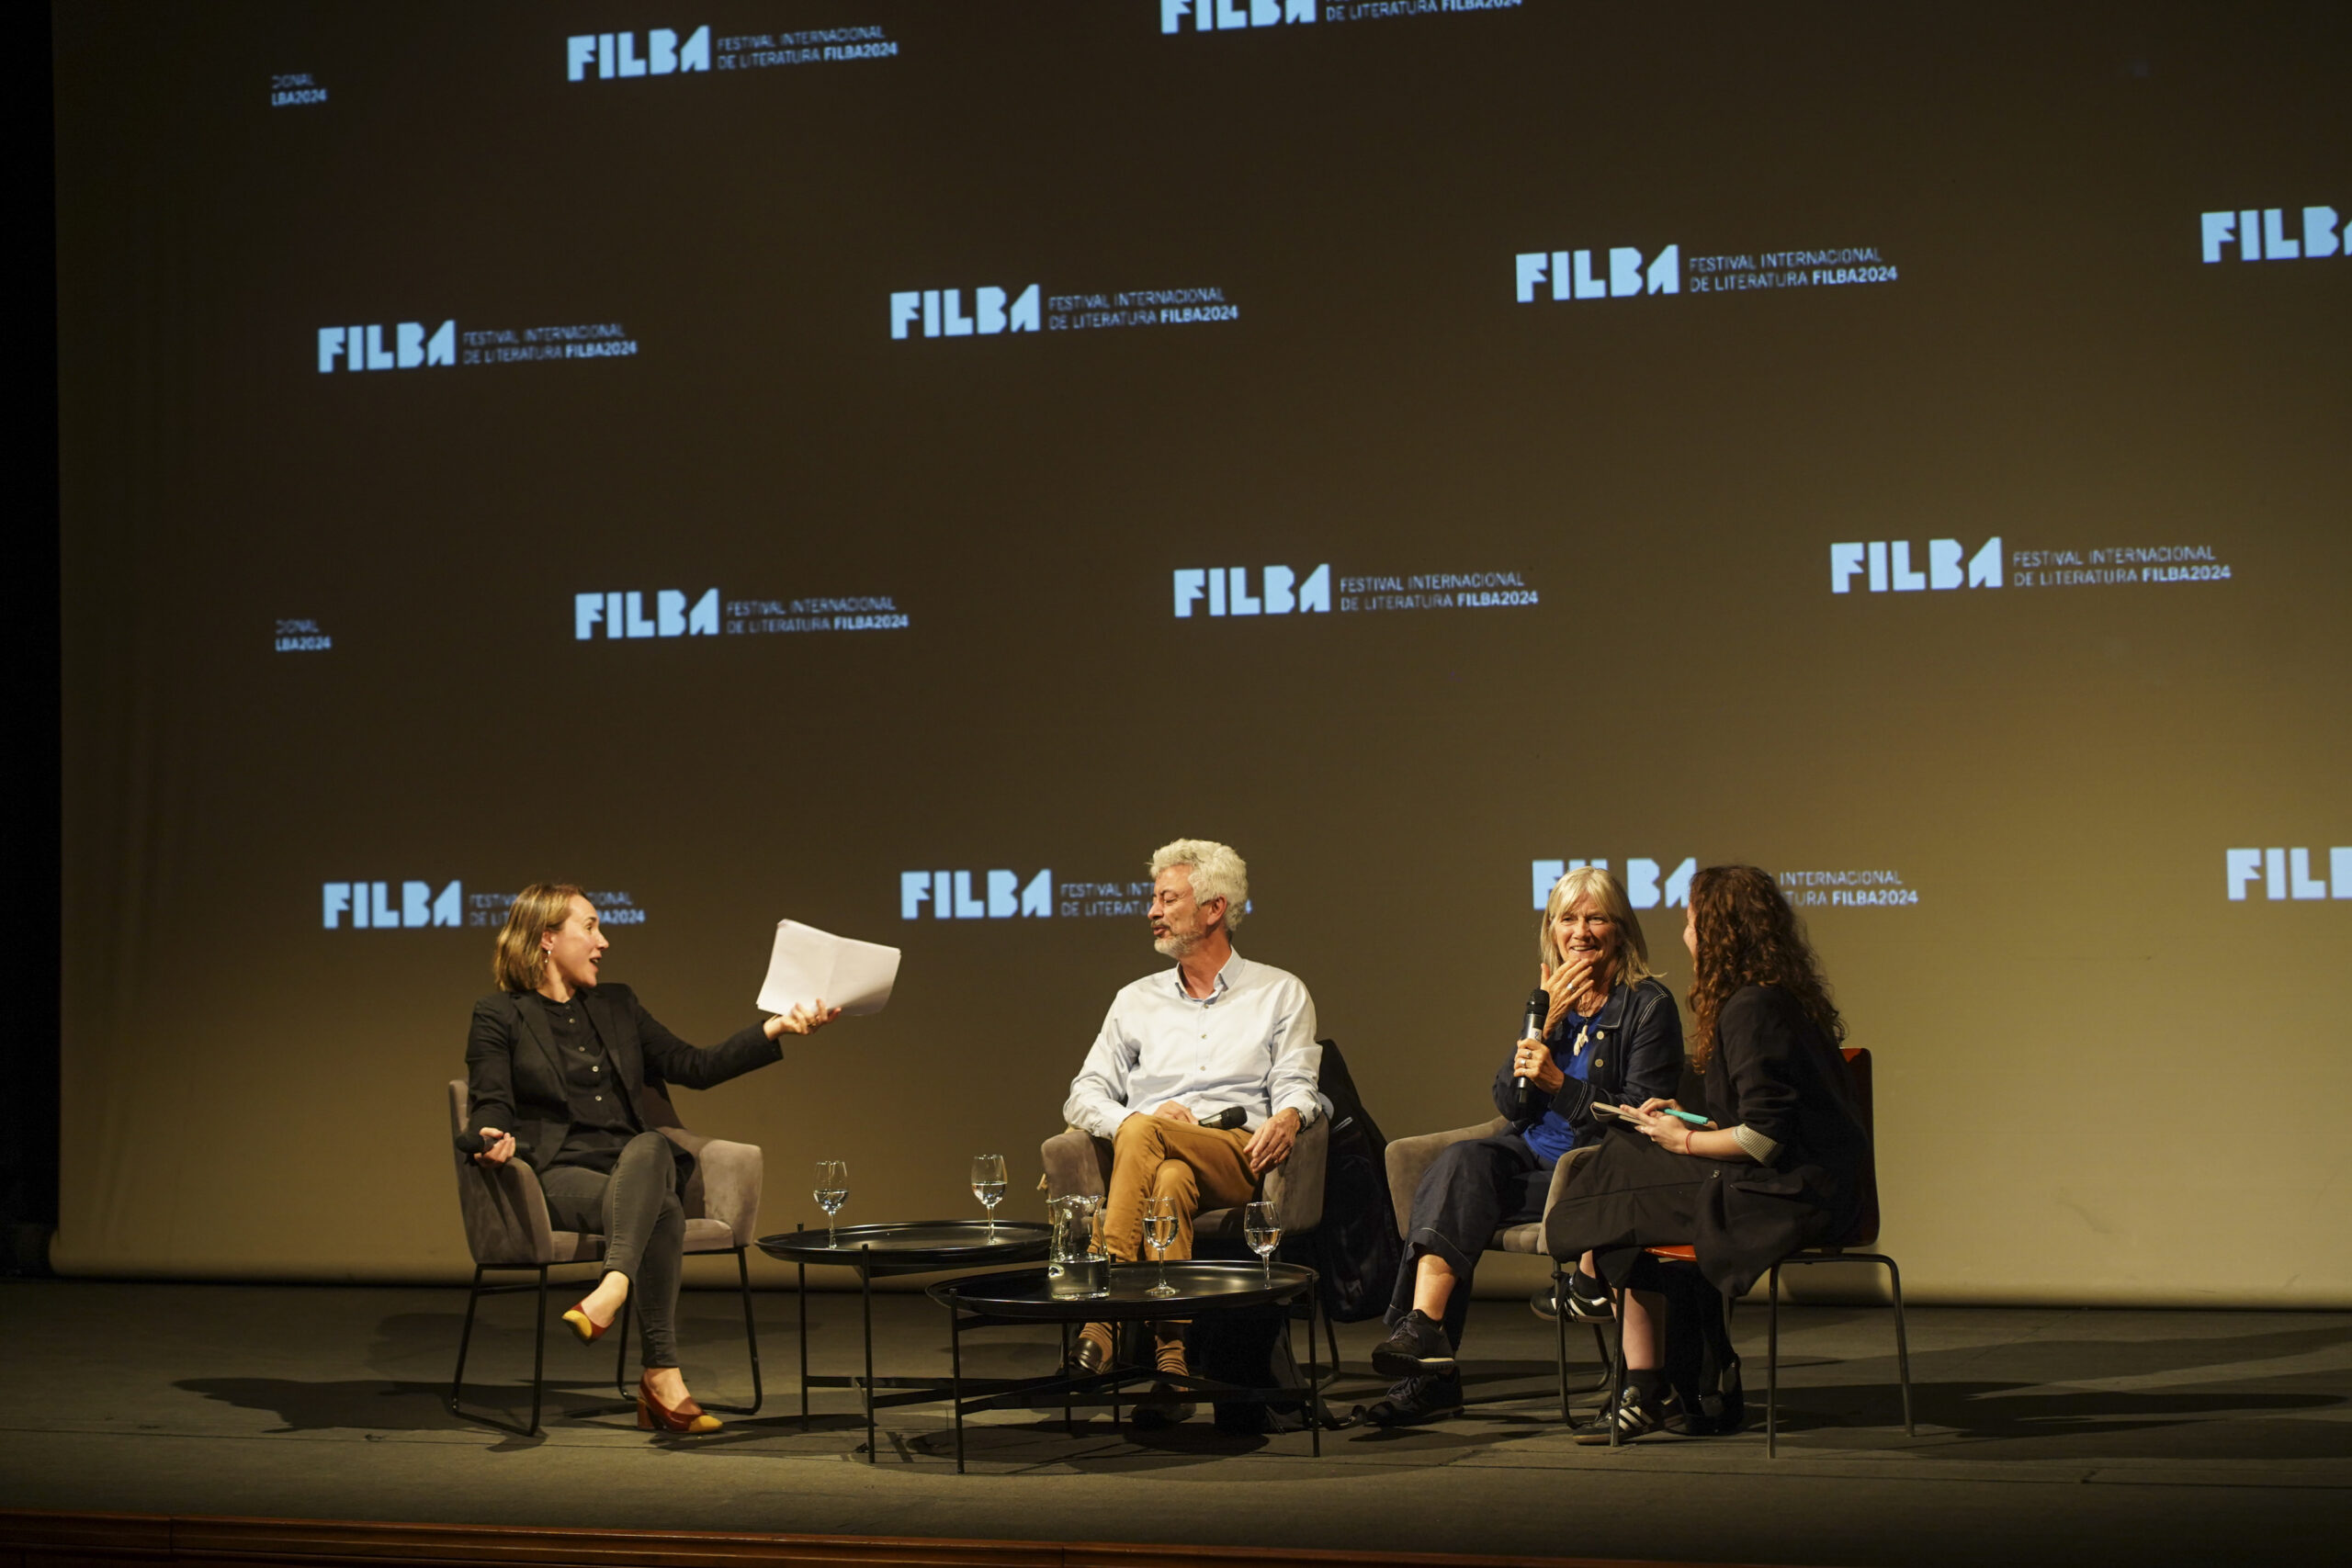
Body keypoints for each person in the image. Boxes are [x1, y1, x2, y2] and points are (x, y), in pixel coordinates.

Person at [463, 884, 838, 1434]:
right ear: (547, 938)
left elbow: (695, 1066)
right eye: (590, 927)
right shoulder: (499, 1014)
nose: (603, 942)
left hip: (635, 1163)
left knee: (653, 1145)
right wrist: (488, 1132)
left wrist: (774, 1027)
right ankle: (660, 1377)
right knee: (662, 1207)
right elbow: (489, 1097)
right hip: (560, 1176)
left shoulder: (617, 1004)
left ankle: (612, 1289)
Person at [1548, 863, 1869, 1443]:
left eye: (1693, 923)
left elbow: (1764, 1139)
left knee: (1621, 1177)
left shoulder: (1751, 1008)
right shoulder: (1774, 998)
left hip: (1789, 1197)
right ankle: (1643, 1377)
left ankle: (1594, 1295)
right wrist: (1688, 1115)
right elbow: (1762, 1116)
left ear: (1721, 933)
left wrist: (1686, 1140)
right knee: (1629, 1158)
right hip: (1799, 1182)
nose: (1686, 934)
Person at [1363, 865, 1682, 1426]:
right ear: (1550, 930)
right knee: (1460, 1163)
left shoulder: (1647, 1005)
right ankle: (1424, 1335)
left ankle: (1429, 1374)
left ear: (1621, 930)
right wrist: (1543, 1024)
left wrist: (1559, 1083)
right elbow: (1510, 1105)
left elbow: (1641, 1117)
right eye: (1567, 919)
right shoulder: (1550, 1001)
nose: (1580, 932)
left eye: (1596, 919)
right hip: (1531, 1155)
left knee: (1458, 1200)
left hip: (1592, 1170)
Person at [1060, 839, 1323, 1426]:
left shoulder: (1279, 991)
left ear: (1213, 909)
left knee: (1145, 1135)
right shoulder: (1136, 1000)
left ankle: (1102, 1316)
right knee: (1168, 1178)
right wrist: (1139, 1123)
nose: (1152, 911)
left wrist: (1290, 1116)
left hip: (1238, 1153)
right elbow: (1083, 1093)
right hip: (1156, 1161)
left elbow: (1298, 1080)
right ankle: (1172, 1367)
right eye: (1154, 899)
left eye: (1167, 899)